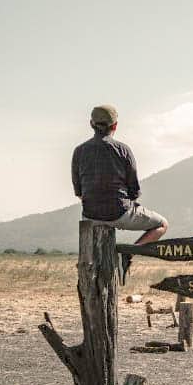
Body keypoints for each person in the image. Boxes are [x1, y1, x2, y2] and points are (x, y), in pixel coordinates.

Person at [71, 104, 168, 277]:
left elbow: (79, 192)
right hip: (121, 213)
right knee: (162, 224)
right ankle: (130, 252)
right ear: (115, 126)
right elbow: (134, 191)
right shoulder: (123, 150)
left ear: (91, 124)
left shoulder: (79, 151)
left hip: (90, 216)